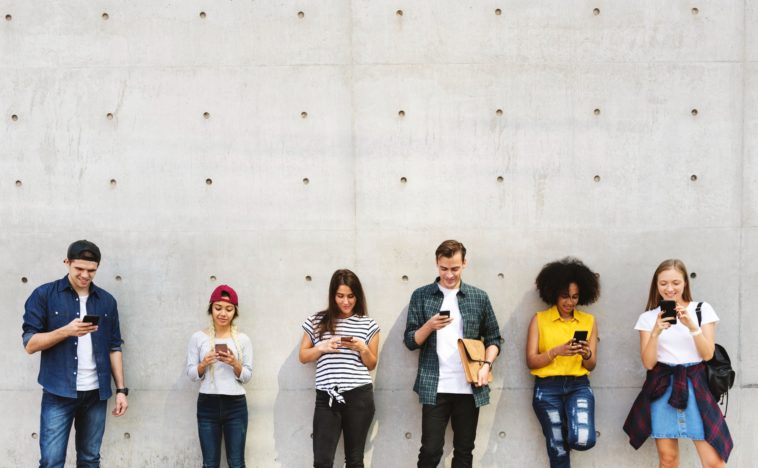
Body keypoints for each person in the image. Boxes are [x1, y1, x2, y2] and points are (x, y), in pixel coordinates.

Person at [22, 240, 128, 468]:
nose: (85, 275)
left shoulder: (107, 301)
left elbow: (114, 347)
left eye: (91, 270)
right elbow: (30, 344)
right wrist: (66, 331)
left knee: (90, 460)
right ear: (67, 263)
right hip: (58, 391)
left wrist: (121, 390)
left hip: (96, 394)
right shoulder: (44, 295)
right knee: (51, 461)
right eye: (79, 268)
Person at [623, 259, 733, 467]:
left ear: (685, 283)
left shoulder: (702, 309)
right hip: (662, 386)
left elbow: (708, 354)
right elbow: (648, 363)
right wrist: (655, 332)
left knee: (714, 462)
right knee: (668, 459)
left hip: (697, 385)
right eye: (663, 283)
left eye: (675, 282)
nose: (669, 288)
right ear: (656, 285)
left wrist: (692, 326)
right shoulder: (648, 318)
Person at [403, 240, 502, 468]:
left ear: (464, 264)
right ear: (437, 264)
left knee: (464, 452)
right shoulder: (422, 296)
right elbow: (410, 342)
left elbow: (494, 338)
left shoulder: (479, 297)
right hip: (435, 387)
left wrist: (486, 366)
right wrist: (429, 326)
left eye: (455, 268)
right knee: (430, 451)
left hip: (469, 386)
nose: (449, 275)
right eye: (444, 268)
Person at [299, 269, 380, 468]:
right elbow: (302, 356)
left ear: (357, 296)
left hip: (359, 395)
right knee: (322, 461)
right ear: (333, 295)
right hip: (327, 396)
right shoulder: (317, 321)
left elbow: (371, 364)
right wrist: (321, 347)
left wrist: (361, 347)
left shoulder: (368, 324)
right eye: (340, 296)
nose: (345, 302)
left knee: (354, 460)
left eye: (351, 296)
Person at [525, 258, 600, 468]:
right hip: (547, 389)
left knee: (583, 439)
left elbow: (592, 365)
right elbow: (531, 362)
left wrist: (586, 354)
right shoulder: (539, 319)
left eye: (575, 297)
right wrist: (557, 351)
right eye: (565, 296)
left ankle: (566, 424)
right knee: (558, 450)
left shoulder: (589, 321)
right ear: (554, 293)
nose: (570, 302)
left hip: (579, 386)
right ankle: (559, 431)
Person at [186, 284, 253, 468]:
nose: (223, 313)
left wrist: (234, 363)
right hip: (207, 404)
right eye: (218, 308)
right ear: (211, 309)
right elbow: (191, 374)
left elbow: (247, 376)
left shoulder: (243, 340)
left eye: (229, 309)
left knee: (237, 463)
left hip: (236, 405)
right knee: (210, 464)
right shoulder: (198, 338)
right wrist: (204, 364)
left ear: (235, 312)